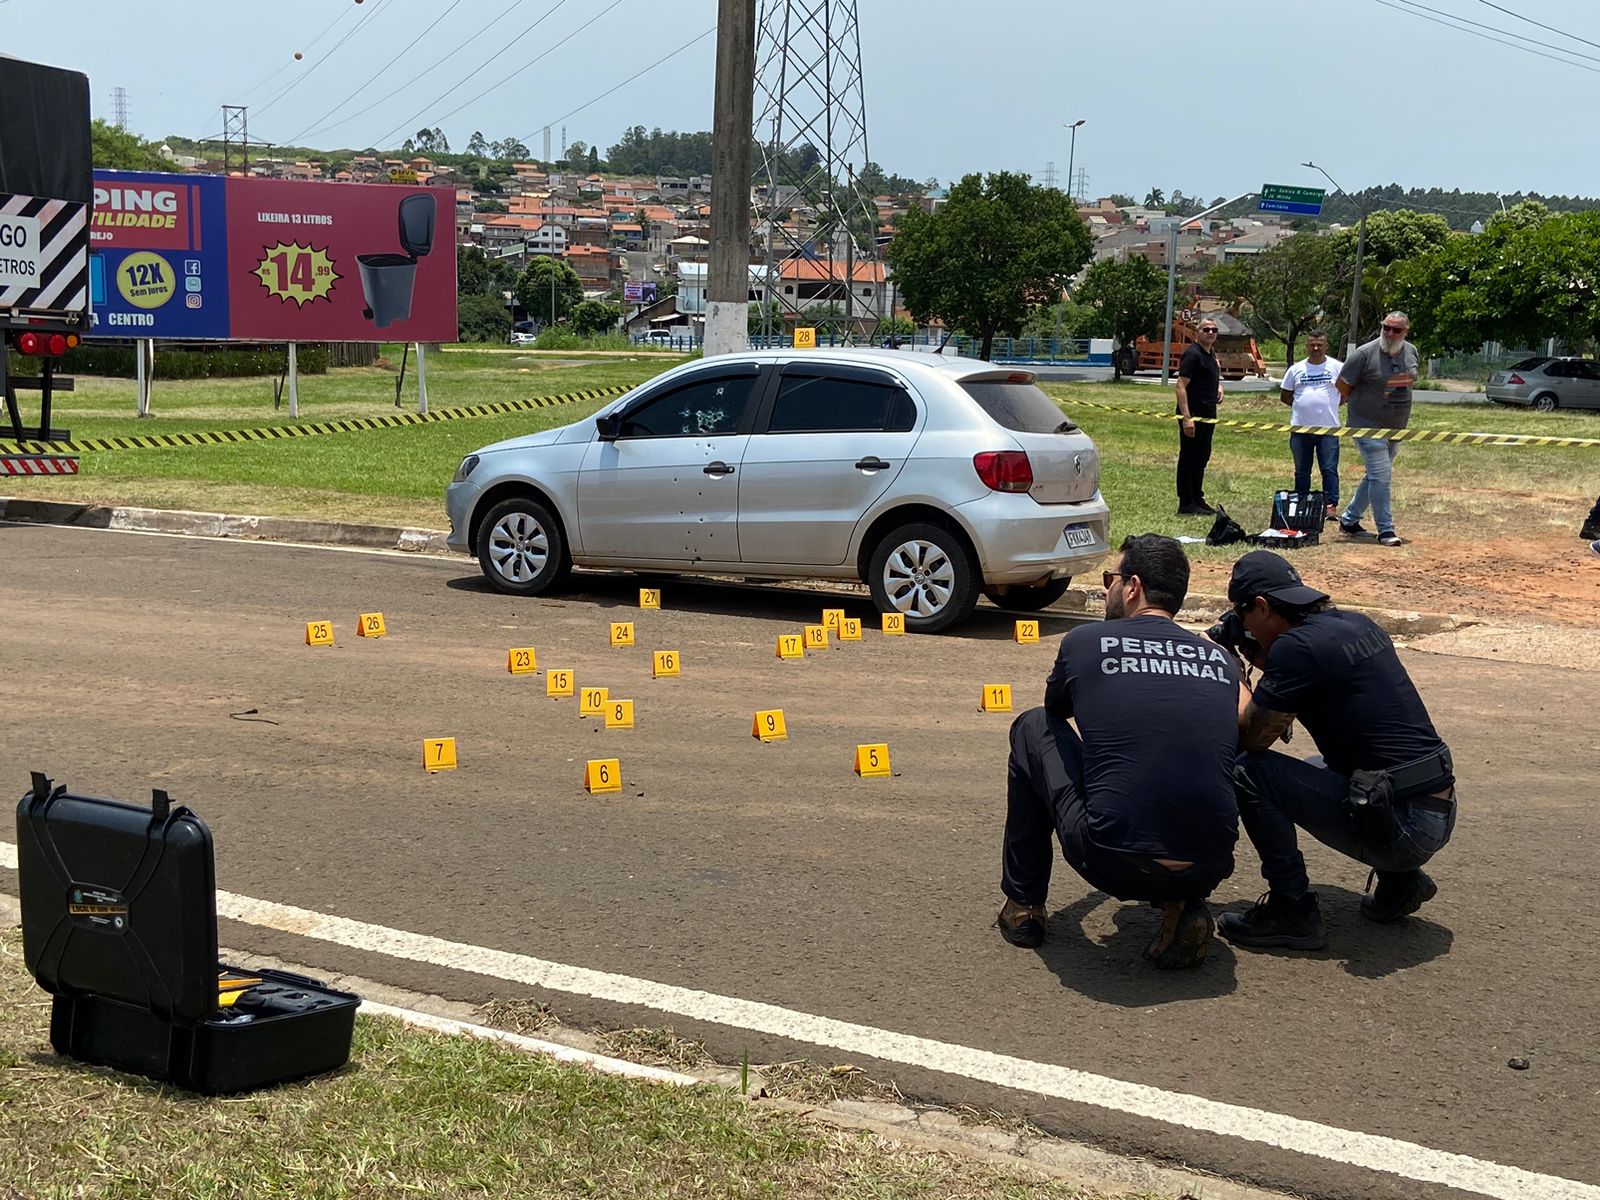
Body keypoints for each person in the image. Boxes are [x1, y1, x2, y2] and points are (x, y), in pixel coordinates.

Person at [996, 534, 1239, 969]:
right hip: (1212, 863)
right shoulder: (1220, 659)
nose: (1107, 587)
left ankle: (1025, 903)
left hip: (1113, 858)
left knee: (1032, 727)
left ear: (1132, 587)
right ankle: (1182, 902)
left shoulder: (1084, 641)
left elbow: (1057, 713)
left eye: (1110, 578)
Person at [1215, 551, 1456, 952]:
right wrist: (1266, 660)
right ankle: (1401, 883)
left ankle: (1291, 911)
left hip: (1402, 824)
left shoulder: (1296, 649)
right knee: (1317, 766)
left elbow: (1252, 739)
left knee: (1249, 772)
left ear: (1260, 606)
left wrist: (1234, 672)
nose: (1242, 626)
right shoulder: (1354, 624)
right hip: (1434, 807)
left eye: (1242, 616)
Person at [1336, 311, 1418, 547]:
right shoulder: (1363, 354)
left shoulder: (1411, 351)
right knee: (1382, 476)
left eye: (1396, 330)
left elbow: (1410, 377)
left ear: (1405, 331)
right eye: (1386, 328)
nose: (1390, 333)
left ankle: (1349, 520)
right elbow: (1342, 385)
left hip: (1396, 427)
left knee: (1375, 476)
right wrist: (1361, 405)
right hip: (1367, 426)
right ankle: (1386, 530)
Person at [1278, 331, 1343, 517]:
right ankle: (1301, 502)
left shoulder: (1337, 367)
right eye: (1312, 345)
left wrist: (1327, 406)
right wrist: (1303, 406)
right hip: (1300, 429)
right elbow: (1285, 396)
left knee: (1329, 469)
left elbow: (1346, 394)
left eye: (1319, 345)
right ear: (1307, 346)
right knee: (1301, 470)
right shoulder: (1295, 369)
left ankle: (1330, 505)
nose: (1316, 348)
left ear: (1326, 346)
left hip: (1328, 429)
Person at [1175, 318, 1224, 515]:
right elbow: (1180, 386)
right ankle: (1186, 502)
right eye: (1206, 329)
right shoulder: (1192, 354)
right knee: (1189, 457)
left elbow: (1212, 375)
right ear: (1198, 332)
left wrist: (1219, 387)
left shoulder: (1210, 353)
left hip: (1208, 415)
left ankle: (1197, 497)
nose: (1210, 332)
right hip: (1193, 415)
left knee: (1202, 457)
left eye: (1214, 330)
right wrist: (1187, 418)